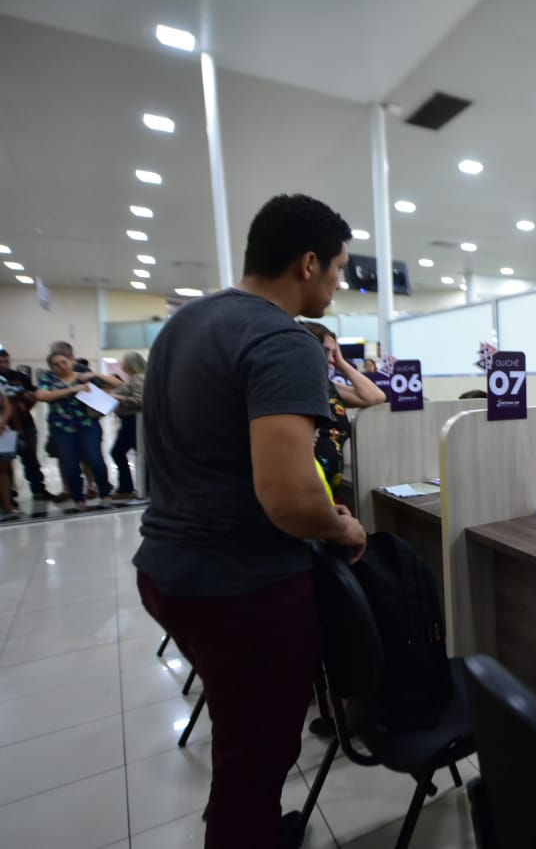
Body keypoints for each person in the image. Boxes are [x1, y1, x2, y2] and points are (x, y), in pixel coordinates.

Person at [133, 193, 367, 849]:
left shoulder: (184, 325)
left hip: (168, 567)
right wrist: (343, 528)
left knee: (242, 738)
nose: (338, 283)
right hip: (242, 586)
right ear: (309, 262)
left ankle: (255, 827)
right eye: (339, 268)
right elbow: (289, 498)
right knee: (256, 752)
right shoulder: (280, 339)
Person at [298, 321, 385, 494]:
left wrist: (340, 362)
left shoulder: (328, 386)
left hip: (327, 491)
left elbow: (375, 397)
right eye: (326, 350)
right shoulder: (289, 386)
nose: (331, 358)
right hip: (305, 492)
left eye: (334, 351)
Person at [35, 351, 117, 510]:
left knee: (95, 459)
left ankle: (105, 493)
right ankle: (78, 498)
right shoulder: (48, 379)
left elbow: (117, 384)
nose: (61, 366)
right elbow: (41, 396)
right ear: (51, 367)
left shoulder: (83, 376)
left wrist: (94, 374)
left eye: (64, 362)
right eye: (56, 364)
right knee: (70, 464)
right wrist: (71, 390)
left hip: (87, 425)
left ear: (70, 361)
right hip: (62, 428)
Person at [0, 348, 50, 502]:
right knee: (5, 464)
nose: (4, 364)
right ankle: (7, 496)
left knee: (30, 459)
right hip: (5, 429)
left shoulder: (19, 377)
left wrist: (29, 400)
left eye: (6, 361)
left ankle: (38, 490)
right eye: (0, 362)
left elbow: (35, 394)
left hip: (26, 424)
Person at [109, 352, 146, 499]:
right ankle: (145, 486)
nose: (121, 364)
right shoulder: (134, 378)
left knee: (118, 452)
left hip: (133, 420)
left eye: (123, 362)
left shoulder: (137, 378)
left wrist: (117, 397)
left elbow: (140, 400)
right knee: (142, 454)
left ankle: (126, 487)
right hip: (132, 420)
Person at [0, 389, 19, 519]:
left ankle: (7, 506)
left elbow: (7, 406)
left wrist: (3, 421)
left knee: (4, 470)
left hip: (2, 431)